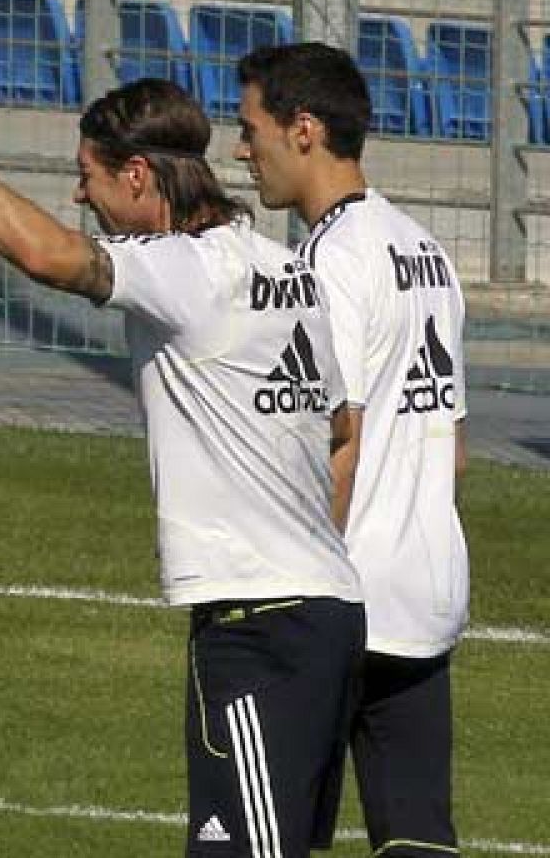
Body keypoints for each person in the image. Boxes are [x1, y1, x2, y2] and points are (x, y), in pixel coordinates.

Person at [0, 77, 365, 856]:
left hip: (257, 625)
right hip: (323, 613)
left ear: (136, 176)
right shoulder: (288, 270)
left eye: (87, 176)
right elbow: (342, 429)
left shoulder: (186, 269)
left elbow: (47, 256)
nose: (78, 196)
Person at [236, 43, 469, 857]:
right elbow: (455, 452)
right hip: (428, 590)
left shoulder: (327, 263)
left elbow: (341, 443)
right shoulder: (427, 250)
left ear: (303, 130)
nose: (241, 150)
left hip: (349, 601)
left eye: (250, 127)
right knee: (417, 839)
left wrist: (294, 592)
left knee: (275, 833)